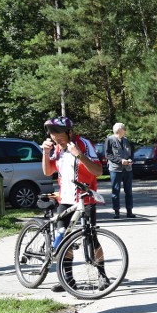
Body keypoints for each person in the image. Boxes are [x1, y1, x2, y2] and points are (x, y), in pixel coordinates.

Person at [40, 116, 107, 292]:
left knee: (91, 238)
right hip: (65, 200)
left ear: (70, 132)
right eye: (53, 136)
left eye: (60, 135)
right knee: (64, 239)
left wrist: (80, 155)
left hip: (86, 199)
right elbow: (48, 172)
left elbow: (98, 171)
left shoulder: (83, 144)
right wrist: (45, 153)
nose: (56, 139)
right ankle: (68, 279)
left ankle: (102, 275)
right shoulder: (56, 149)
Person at [104, 123, 135, 218]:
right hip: (115, 169)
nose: (125, 130)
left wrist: (130, 159)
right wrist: (120, 161)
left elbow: (131, 152)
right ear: (119, 130)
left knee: (128, 191)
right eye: (124, 129)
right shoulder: (109, 140)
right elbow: (107, 155)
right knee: (116, 191)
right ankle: (116, 212)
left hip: (128, 169)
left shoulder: (127, 140)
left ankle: (129, 211)